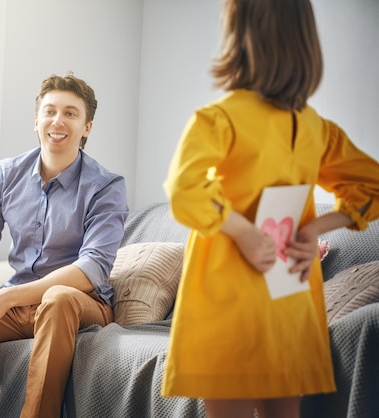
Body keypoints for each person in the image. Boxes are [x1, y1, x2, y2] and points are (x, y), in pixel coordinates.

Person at [160, 0, 379, 417]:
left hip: (228, 304)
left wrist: (241, 231)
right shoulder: (316, 128)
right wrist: (316, 229)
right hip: (289, 301)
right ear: (304, 43)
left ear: (240, 40)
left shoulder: (218, 119)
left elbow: (183, 189)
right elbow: (373, 184)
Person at [0, 72, 129, 417]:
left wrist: (4, 297)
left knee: (57, 297)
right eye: (50, 111)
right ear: (36, 121)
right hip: (19, 302)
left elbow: (92, 266)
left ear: (87, 128)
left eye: (70, 113)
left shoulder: (106, 186)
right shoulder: (5, 175)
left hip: (79, 303)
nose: (58, 121)